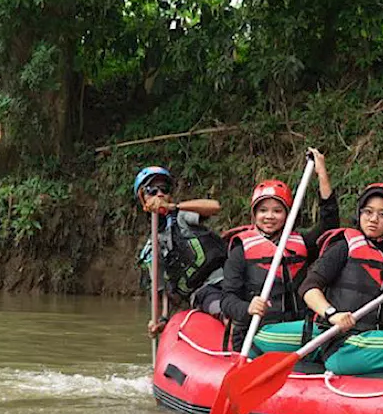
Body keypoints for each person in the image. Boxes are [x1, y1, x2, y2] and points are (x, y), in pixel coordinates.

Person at [250, 183, 383, 375]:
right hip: (335, 336)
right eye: (368, 212)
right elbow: (309, 288)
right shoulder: (343, 247)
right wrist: (333, 314)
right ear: (359, 214)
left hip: (367, 338)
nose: (373, 219)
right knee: (258, 340)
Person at [219, 148, 338, 347]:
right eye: (263, 210)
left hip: (298, 330)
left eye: (277, 211)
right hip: (256, 334)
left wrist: (322, 175)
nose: (269, 216)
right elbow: (227, 300)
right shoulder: (241, 250)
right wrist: (248, 308)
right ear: (254, 215)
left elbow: (330, 224)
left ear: (287, 214)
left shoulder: (301, 243)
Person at [135, 166, 227, 334]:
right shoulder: (153, 249)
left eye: (164, 190)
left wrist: (172, 207)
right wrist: (162, 319)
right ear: (143, 200)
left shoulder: (182, 215)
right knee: (227, 311)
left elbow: (214, 207)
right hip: (203, 292)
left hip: (226, 276)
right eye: (152, 191)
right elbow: (163, 290)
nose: (159, 194)